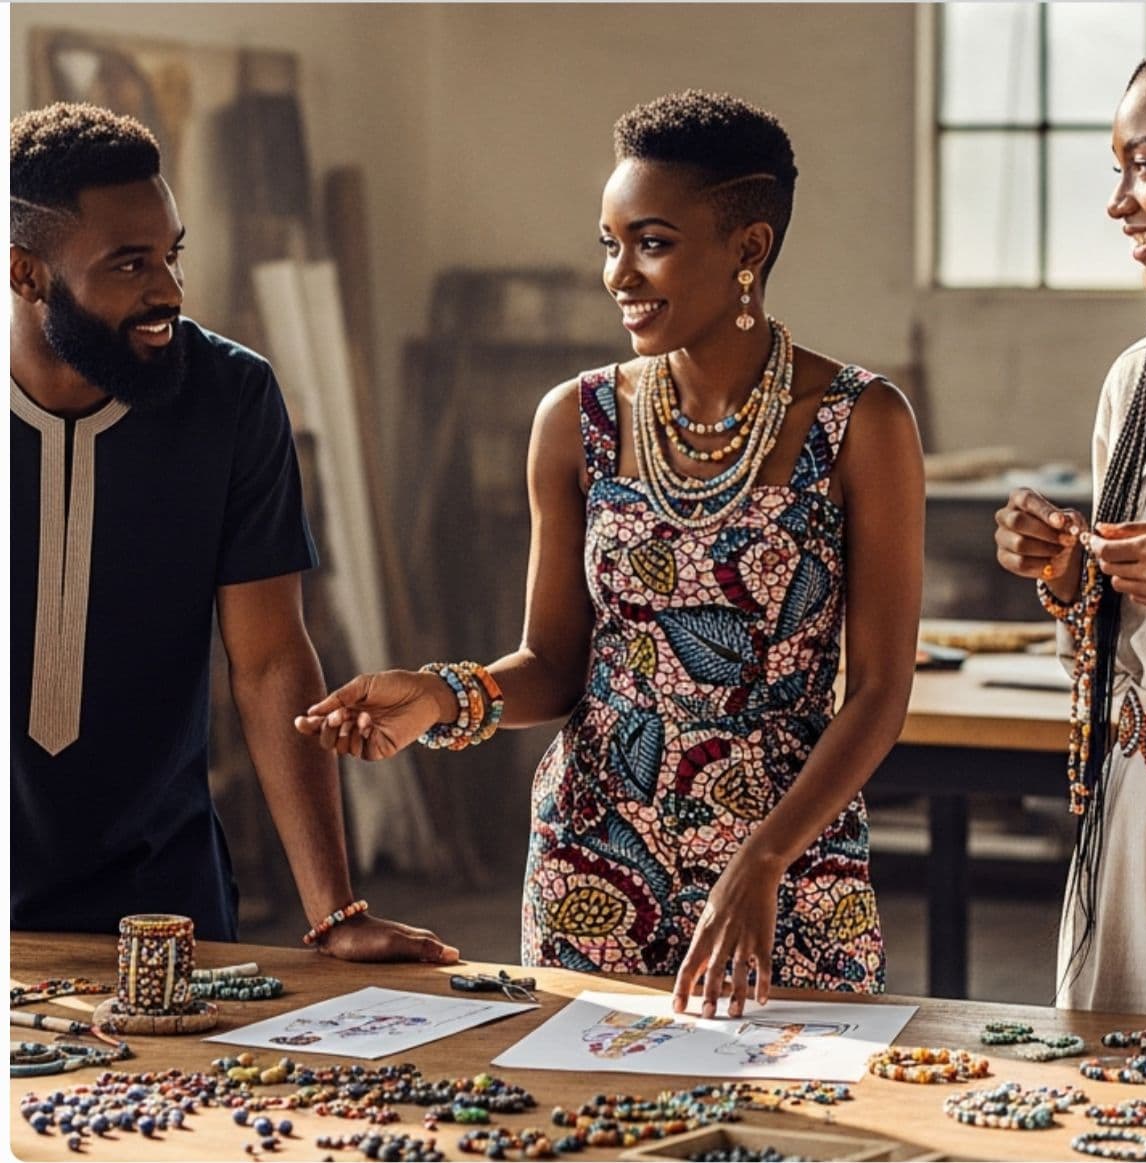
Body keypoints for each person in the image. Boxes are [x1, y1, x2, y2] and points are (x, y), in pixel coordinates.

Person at [298, 90, 924, 1016]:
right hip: (591, 855)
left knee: (798, 1099)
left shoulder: (860, 422)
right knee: (583, 1096)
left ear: (748, 248)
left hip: (786, 864)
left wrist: (761, 861)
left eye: (651, 243)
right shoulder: (576, 420)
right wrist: (439, 694)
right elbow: (555, 665)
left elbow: (877, 691)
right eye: (609, 243)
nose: (618, 274)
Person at [10, 102, 458, 963]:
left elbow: (270, 660)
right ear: (28, 274)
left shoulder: (231, 397)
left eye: (172, 255)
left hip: (166, 901)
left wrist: (335, 913)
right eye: (130, 263)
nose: (169, 291)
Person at [994, 25, 1146, 1019]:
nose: (1117, 202)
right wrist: (1068, 575)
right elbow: (1103, 645)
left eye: (1145, 164)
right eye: (1117, 170)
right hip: (1135, 808)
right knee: (1109, 1088)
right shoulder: (1137, 384)